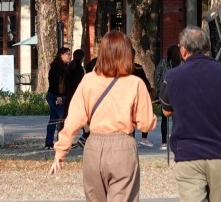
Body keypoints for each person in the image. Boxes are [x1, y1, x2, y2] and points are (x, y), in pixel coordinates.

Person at [50, 31, 157, 202]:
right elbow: (146, 124)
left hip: (93, 146)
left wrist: (61, 150)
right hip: (123, 147)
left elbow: (74, 118)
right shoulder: (135, 83)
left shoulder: (89, 80)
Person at [159, 26, 221, 202]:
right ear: (209, 46)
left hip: (188, 155)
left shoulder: (173, 76)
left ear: (183, 50)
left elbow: (166, 110)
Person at [153, 44, 181, 150]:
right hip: (178, 92)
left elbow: (156, 75)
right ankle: (176, 140)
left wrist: (160, 87)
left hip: (164, 92)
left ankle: (164, 142)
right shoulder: (181, 64)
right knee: (176, 117)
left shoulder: (163, 62)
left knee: (164, 118)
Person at [45, 47, 72, 149]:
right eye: (67, 54)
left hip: (55, 95)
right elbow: (57, 83)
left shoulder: (63, 66)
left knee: (54, 119)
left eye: (70, 54)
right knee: (63, 118)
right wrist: (59, 96)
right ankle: (63, 142)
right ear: (61, 55)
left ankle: (49, 143)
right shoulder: (58, 68)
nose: (69, 56)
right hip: (55, 96)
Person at [131, 61, 154, 146]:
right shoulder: (137, 67)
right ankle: (142, 138)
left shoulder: (137, 67)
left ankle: (139, 138)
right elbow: (146, 82)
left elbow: (145, 81)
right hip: (137, 96)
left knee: (132, 117)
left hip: (135, 96)